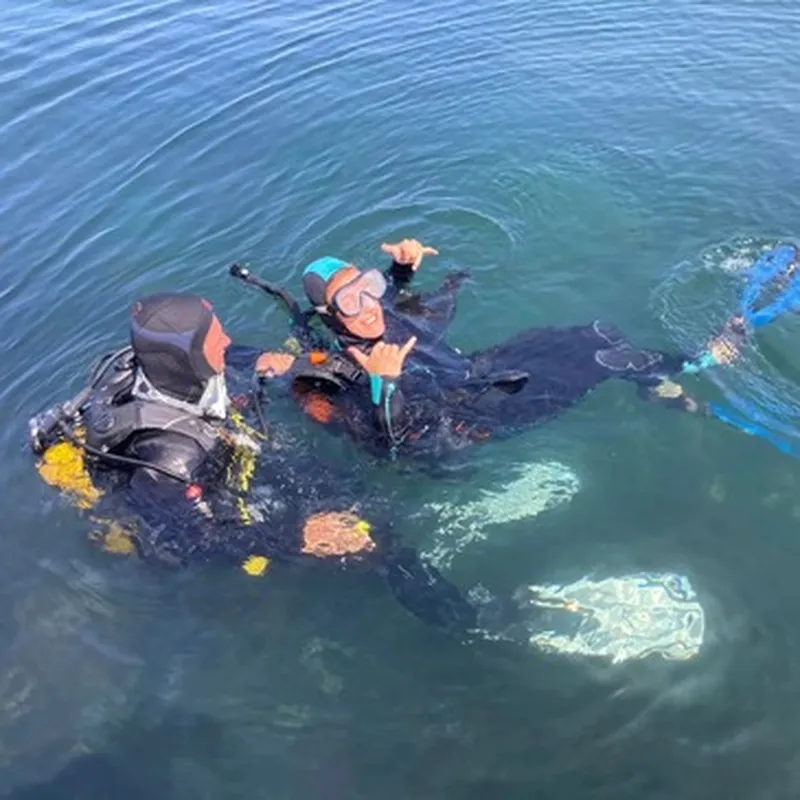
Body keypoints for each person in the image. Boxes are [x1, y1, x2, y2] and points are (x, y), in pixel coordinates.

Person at [29, 292, 483, 635]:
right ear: (187, 357)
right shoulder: (167, 456)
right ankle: (455, 619)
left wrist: (263, 361)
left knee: (340, 487)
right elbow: (189, 541)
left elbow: (231, 356)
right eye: (216, 338)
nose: (227, 341)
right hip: (202, 506)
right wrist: (295, 538)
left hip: (223, 456)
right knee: (369, 544)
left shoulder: (163, 370)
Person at [254, 240, 743, 463]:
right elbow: (393, 448)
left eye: (368, 287)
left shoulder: (380, 311)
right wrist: (385, 384)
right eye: (349, 300)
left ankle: (651, 386)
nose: (367, 308)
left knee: (594, 334)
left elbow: (393, 298)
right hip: (471, 419)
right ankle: (698, 362)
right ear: (329, 316)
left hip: (478, 370)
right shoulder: (343, 371)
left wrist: (401, 271)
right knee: (603, 361)